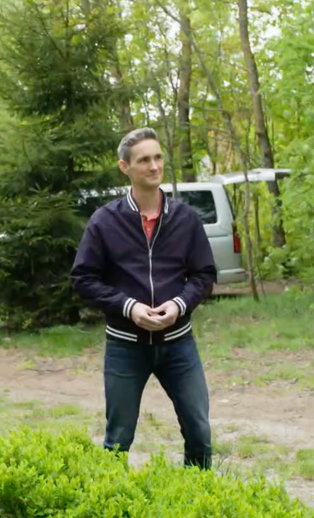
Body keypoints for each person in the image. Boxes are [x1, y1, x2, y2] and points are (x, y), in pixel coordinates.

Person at [70, 128, 218, 468]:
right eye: (144, 160)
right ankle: (112, 510)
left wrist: (179, 305)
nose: (154, 166)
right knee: (118, 438)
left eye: (158, 157)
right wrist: (129, 306)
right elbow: (83, 278)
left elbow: (204, 275)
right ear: (125, 167)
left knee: (199, 430)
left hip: (179, 345)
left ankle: (197, 501)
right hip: (125, 346)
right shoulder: (105, 222)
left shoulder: (186, 219)